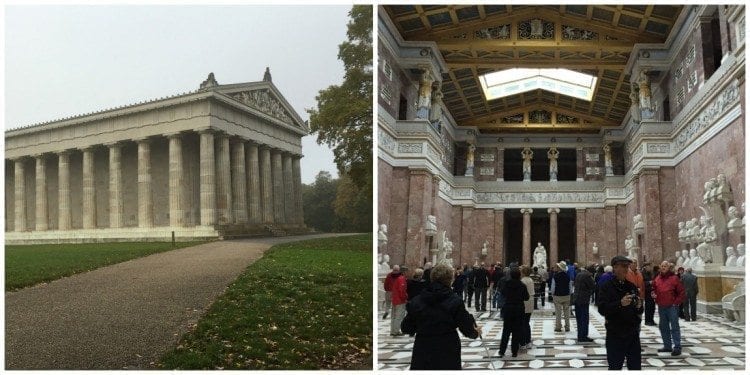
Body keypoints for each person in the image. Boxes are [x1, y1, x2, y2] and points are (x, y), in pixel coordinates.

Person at [401, 264, 481, 370]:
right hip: (447, 347)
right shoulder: (455, 301)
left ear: (432, 278)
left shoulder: (417, 301)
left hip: (423, 347)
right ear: (450, 280)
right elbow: (466, 328)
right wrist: (475, 332)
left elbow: (406, 327)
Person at [598, 256, 644, 370]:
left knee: (635, 367)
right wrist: (620, 303)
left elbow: (638, 310)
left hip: (632, 333)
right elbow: (602, 309)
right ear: (615, 267)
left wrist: (639, 306)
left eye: (627, 266)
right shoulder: (606, 287)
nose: (626, 269)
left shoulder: (631, 286)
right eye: (623, 266)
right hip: (615, 333)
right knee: (615, 366)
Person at [652, 261, 686, 356]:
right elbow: (654, 289)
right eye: (662, 266)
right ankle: (667, 346)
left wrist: (676, 303)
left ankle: (677, 347)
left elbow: (681, 292)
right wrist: (653, 295)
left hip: (672, 307)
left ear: (668, 267)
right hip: (661, 306)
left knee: (674, 327)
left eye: (665, 266)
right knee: (663, 327)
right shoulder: (657, 278)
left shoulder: (674, 278)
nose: (663, 267)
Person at [497, 267, 529, 358]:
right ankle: (514, 352)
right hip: (519, 309)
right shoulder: (522, 285)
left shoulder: (507, 284)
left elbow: (503, 293)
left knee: (506, 331)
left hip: (508, 308)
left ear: (510, 275)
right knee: (516, 331)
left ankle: (502, 351)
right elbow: (526, 297)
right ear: (519, 275)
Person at [573, 264, 595, 342]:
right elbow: (593, 286)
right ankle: (583, 336)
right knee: (584, 318)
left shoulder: (579, 274)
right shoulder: (588, 276)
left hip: (576, 299)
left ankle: (579, 336)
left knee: (579, 318)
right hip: (583, 300)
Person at [551, 261, 571, 332]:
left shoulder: (555, 276)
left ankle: (558, 327)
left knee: (558, 312)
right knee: (567, 312)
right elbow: (570, 287)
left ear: (559, 268)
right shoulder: (568, 276)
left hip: (557, 296)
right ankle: (567, 327)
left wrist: (552, 294)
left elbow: (553, 287)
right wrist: (569, 293)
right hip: (566, 295)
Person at [390, 265, 408, 336]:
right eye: (407, 271)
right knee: (399, 316)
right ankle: (396, 331)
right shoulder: (401, 279)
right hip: (399, 300)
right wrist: (405, 298)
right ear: (404, 272)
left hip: (395, 299)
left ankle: (393, 330)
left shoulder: (398, 278)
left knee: (394, 316)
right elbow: (402, 291)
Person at [519, 266, 535, 349]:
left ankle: (522, 343)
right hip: (530, 303)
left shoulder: (522, 281)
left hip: (524, 303)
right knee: (527, 323)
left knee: (522, 323)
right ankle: (528, 341)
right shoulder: (530, 280)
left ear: (524, 272)